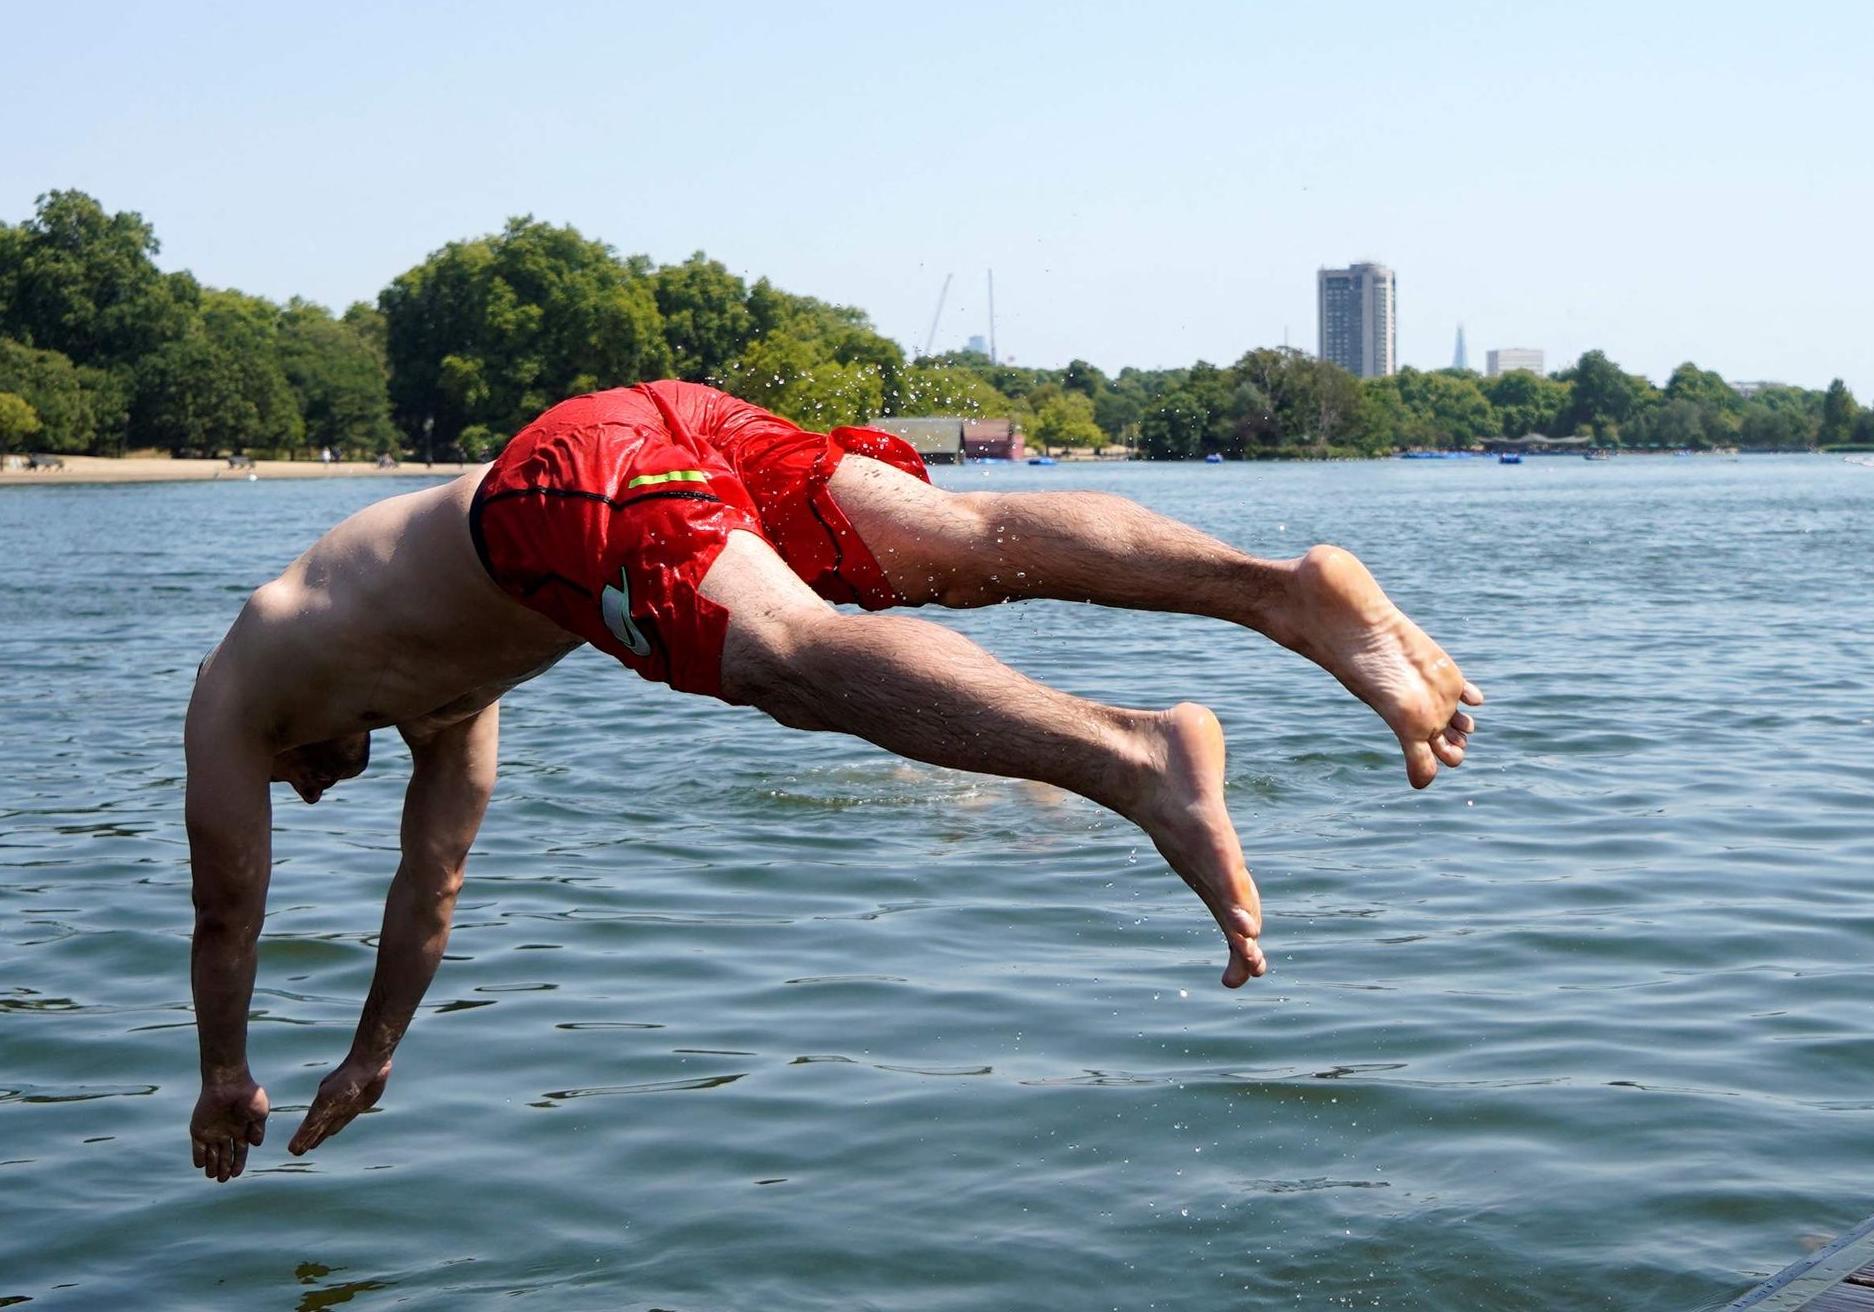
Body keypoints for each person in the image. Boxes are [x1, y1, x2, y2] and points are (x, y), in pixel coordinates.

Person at [183, 379, 1482, 1180]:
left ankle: (1134, 757)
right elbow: (434, 881)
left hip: (563, 489)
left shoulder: (238, 690)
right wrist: (369, 1053)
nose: (304, 795)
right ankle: (1285, 595)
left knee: (790, 662)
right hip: (640, 432)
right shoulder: (447, 705)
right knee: (968, 545)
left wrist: (225, 1076)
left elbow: (229, 912)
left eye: (300, 786)